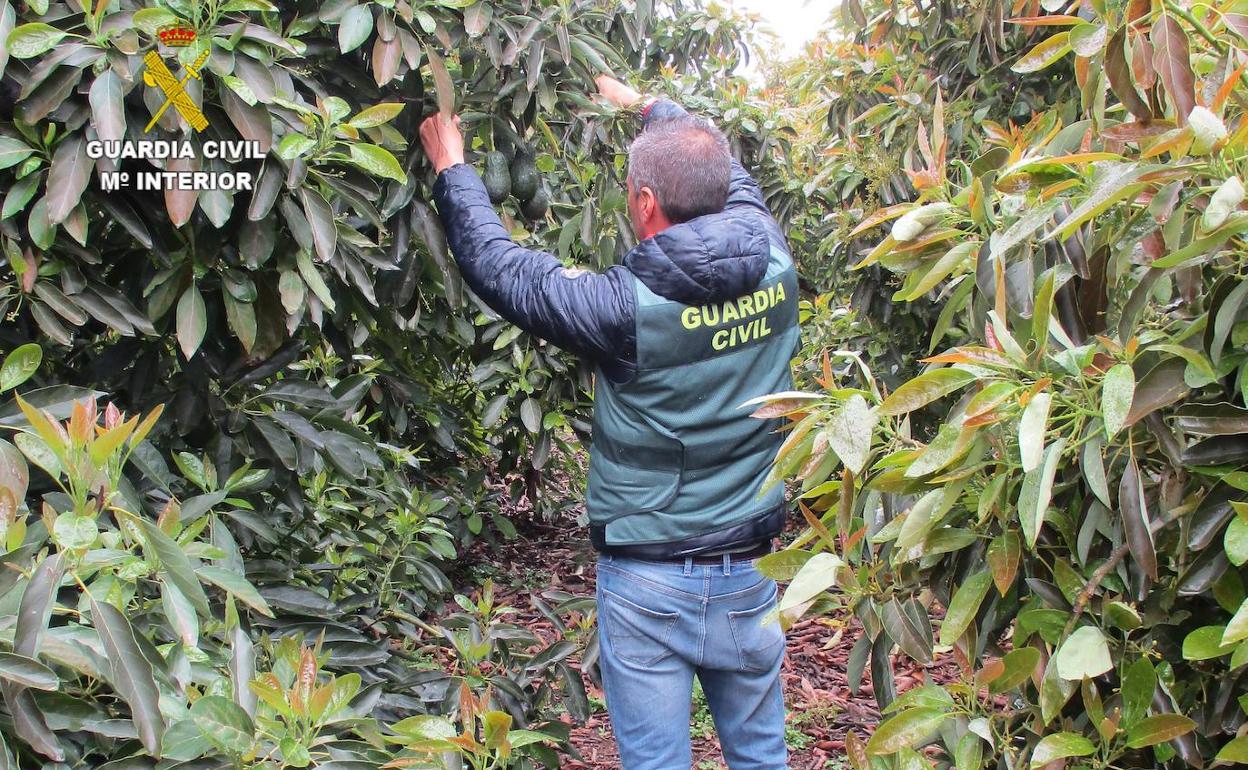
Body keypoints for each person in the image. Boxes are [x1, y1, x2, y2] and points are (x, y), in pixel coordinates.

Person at [419, 74, 798, 770]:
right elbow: (723, 168)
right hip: (750, 573)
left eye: (631, 192)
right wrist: (652, 110)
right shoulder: (775, 258)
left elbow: (503, 270)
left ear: (646, 201)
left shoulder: (623, 310)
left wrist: (453, 170)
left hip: (650, 578)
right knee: (763, 757)